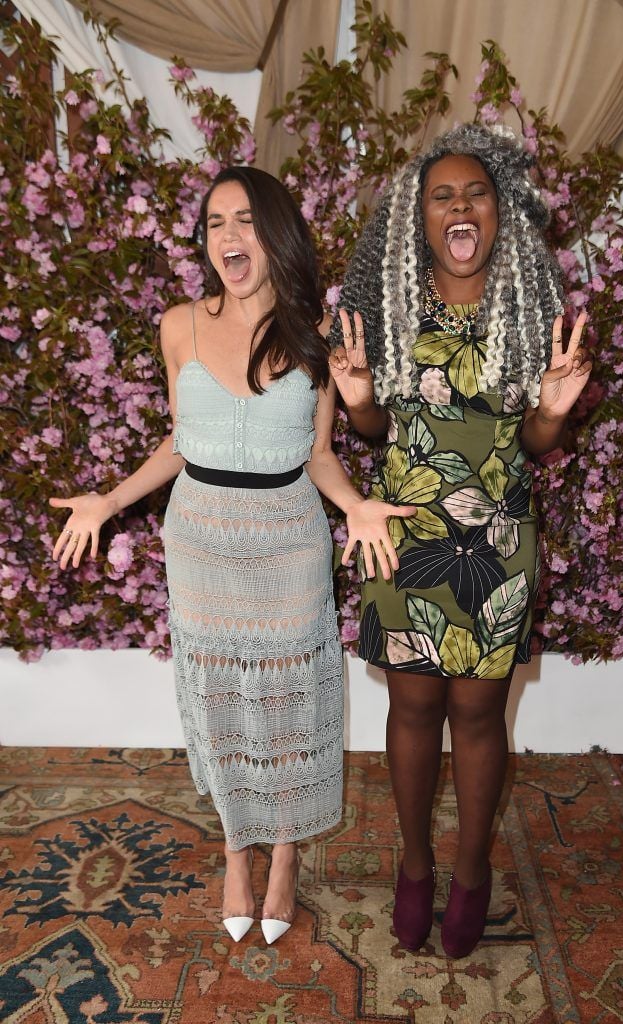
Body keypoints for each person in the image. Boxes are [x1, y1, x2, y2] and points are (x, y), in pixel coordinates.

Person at [49, 166, 414, 946]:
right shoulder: (178, 324)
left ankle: (281, 856)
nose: (226, 237)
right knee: (219, 709)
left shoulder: (314, 334)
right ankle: (235, 852)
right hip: (201, 540)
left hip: (288, 541)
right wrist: (108, 501)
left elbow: (317, 455)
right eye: (214, 223)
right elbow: (182, 442)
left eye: (243, 220)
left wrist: (353, 505)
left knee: (288, 710)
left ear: (273, 232)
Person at [328, 123, 592, 958]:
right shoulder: (388, 308)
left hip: (498, 537)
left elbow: (538, 444)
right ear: (419, 217)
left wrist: (551, 410)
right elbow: (371, 431)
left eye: (474, 191)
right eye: (441, 194)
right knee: (411, 707)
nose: (459, 205)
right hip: (404, 535)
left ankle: (470, 870)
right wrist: (361, 394)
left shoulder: (531, 310)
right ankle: (414, 866)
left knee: (478, 715)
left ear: (500, 208)